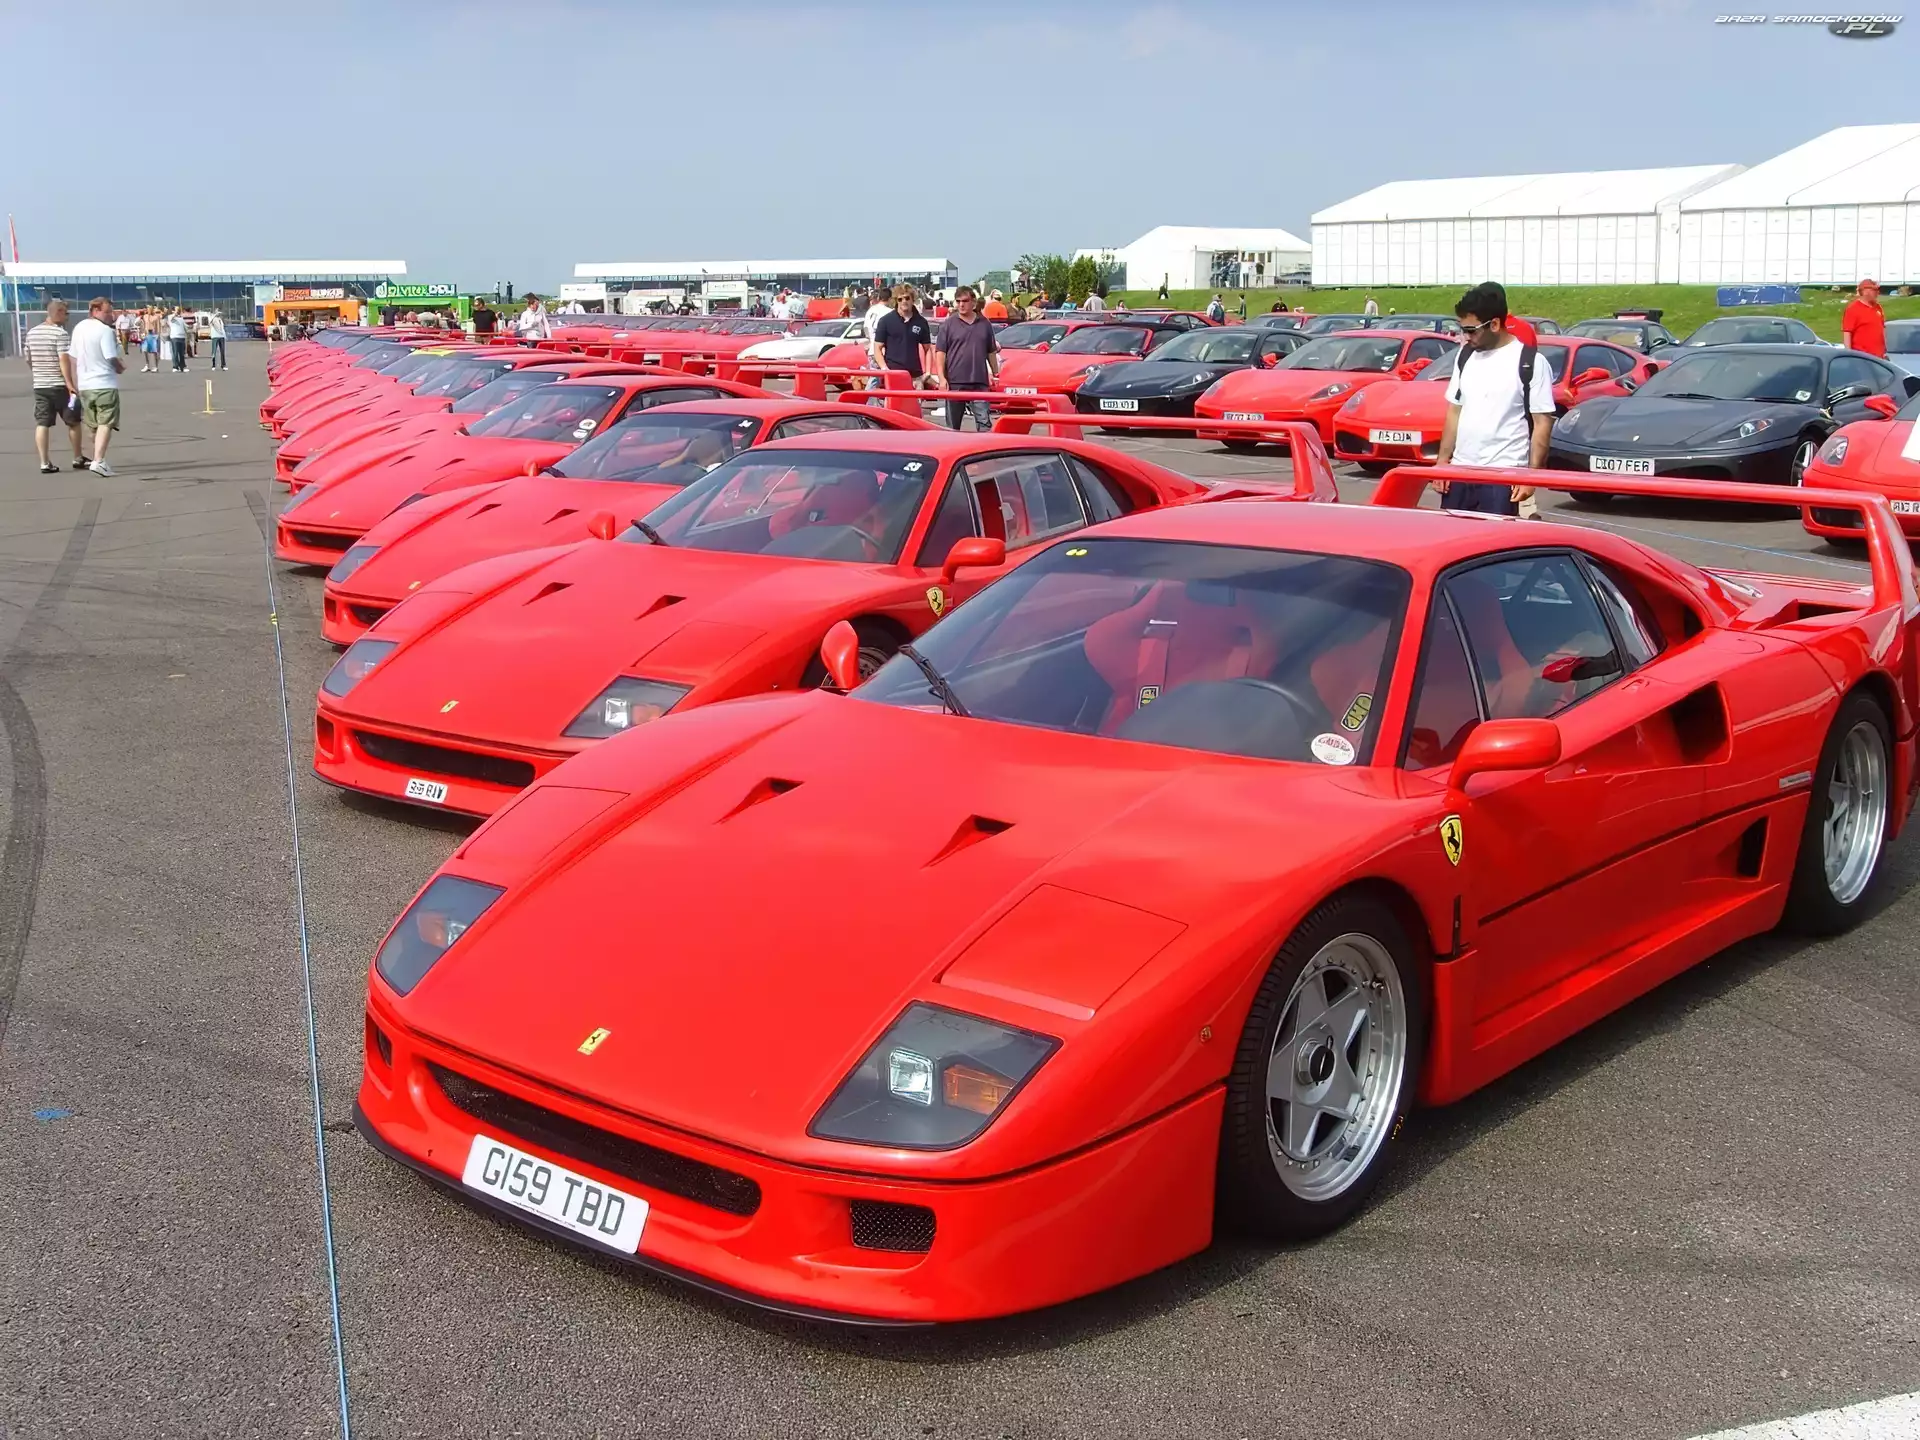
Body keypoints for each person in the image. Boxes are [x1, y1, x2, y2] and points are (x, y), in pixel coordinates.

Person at [1433, 281, 1555, 516]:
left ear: (1495, 324)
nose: (1465, 337)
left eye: (1471, 330)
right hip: (1459, 473)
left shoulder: (1531, 362)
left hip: (1503, 477)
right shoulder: (1465, 356)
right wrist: (1442, 463)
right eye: (1462, 329)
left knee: (1494, 538)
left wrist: (1531, 477)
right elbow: (1455, 410)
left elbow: (1542, 423)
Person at [26, 298, 86, 474]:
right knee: (73, 421)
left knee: (42, 423)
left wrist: (38, 373)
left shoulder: (32, 333)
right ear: (58, 312)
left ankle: (44, 462)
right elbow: (63, 360)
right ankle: (77, 457)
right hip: (60, 386)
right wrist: (70, 384)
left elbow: (28, 358)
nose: (67, 317)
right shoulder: (60, 334)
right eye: (66, 313)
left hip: (40, 385)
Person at [932, 285, 1000, 430]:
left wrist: (995, 374)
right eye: (958, 301)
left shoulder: (984, 324)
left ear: (973, 302)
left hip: (979, 383)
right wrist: (942, 378)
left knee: (984, 424)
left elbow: (991, 352)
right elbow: (940, 353)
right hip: (955, 383)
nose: (961, 305)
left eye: (965, 301)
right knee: (952, 427)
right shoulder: (948, 325)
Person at [71, 297, 123, 476]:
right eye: (107, 312)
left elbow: (73, 356)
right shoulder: (105, 331)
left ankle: (97, 457)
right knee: (106, 422)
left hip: (85, 384)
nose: (110, 316)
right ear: (95, 310)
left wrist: (75, 380)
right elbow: (110, 356)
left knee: (93, 424)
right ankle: (98, 460)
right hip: (103, 383)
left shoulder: (79, 328)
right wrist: (120, 367)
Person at [871, 283, 932, 387]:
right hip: (893, 374)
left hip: (915, 376)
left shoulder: (921, 322)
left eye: (907, 298)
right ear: (896, 301)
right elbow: (877, 348)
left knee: (917, 398)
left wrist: (928, 372)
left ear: (912, 299)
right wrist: (884, 369)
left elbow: (928, 349)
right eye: (900, 299)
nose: (904, 301)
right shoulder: (885, 321)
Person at [1843, 279, 1886, 356]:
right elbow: (1847, 333)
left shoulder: (1878, 307)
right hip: (1862, 357)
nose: (1878, 293)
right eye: (1875, 290)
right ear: (1865, 292)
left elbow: (1882, 329)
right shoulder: (1852, 309)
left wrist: (1885, 352)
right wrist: (1849, 355)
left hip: (1879, 357)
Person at [166, 307, 188, 372]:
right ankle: (175, 367)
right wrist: (175, 313)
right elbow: (170, 319)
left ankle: (182, 367)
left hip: (182, 337)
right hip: (174, 337)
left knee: (182, 354)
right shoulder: (170, 317)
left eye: (178, 310)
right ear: (173, 311)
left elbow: (185, 327)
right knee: (175, 353)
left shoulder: (181, 318)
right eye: (176, 310)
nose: (178, 311)